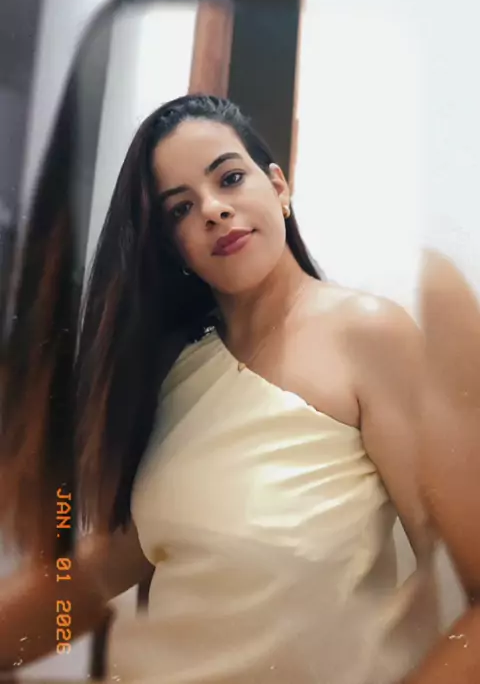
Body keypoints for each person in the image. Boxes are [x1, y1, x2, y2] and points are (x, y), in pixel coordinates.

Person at [1, 94, 480, 683]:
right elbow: (98, 575)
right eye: (180, 208)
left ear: (278, 187)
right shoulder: (178, 376)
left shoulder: (368, 335)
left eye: (229, 178)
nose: (213, 210)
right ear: (172, 246)